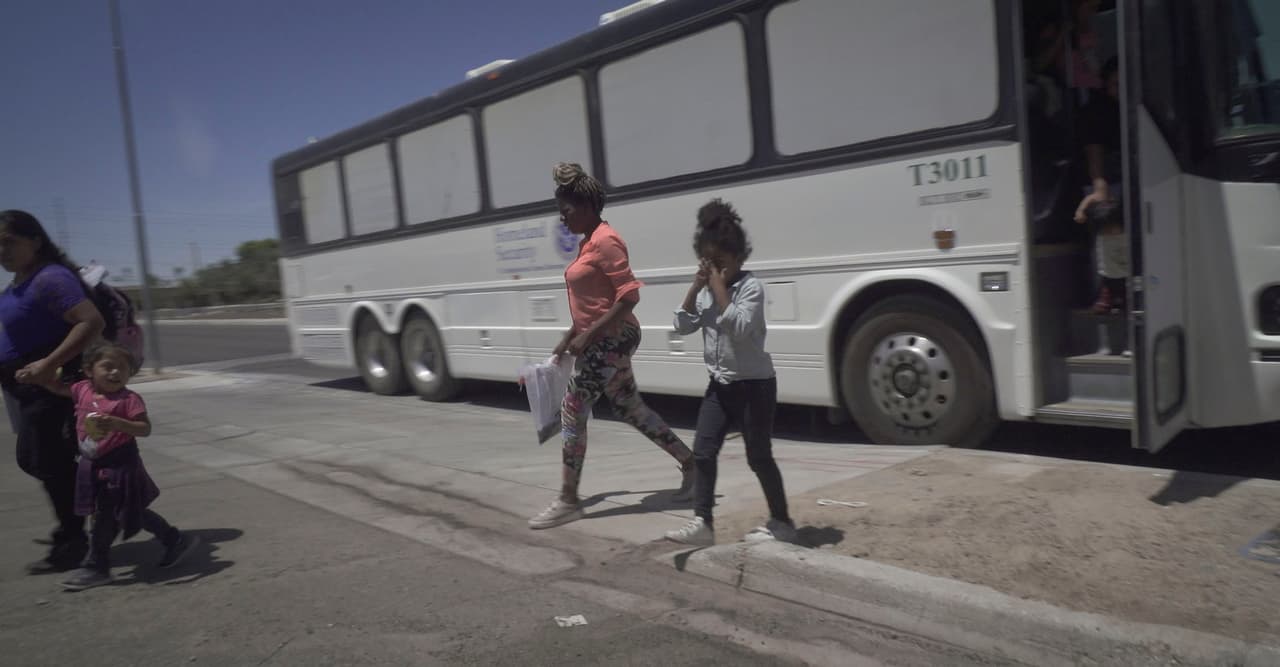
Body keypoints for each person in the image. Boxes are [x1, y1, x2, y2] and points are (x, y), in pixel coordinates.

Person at [528, 163, 696, 530]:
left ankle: (569, 500)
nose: (562, 218)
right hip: (603, 337)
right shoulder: (588, 241)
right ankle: (692, 465)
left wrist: (591, 335)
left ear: (586, 207)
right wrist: (571, 335)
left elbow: (628, 296)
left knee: (573, 409)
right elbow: (596, 301)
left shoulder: (605, 239)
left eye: (566, 210)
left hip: (613, 338)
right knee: (631, 408)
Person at [665, 199, 795, 546]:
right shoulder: (707, 290)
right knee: (704, 452)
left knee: (759, 457)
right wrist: (695, 288)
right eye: (708, 263)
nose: (714, 270)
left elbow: (738, 326)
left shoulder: (751, 288)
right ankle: (703, 524)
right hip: (720, 386)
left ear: (739, 258)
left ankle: (782, 522)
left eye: (720, 263)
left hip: (755, 387)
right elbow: (681, 325)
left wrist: (719, 289)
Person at [37, 341, 198, 591]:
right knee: (128, 511)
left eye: (122, 368)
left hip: (120, 465)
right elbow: (55, 386)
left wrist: (117, 423)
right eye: (108, 367)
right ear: (90, 370)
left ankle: (97, 567)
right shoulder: (81, 390)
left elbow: (145, 429)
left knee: (106, 514)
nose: (115, 372)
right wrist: (35, 376)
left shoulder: (129, 399)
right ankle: (173, 539)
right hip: (91, 463)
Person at [0, 210, 105, 573]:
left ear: (35, 241)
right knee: (39, 460)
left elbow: (91, 321)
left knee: (46, 461)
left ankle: (75, 538)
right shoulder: (20, 282)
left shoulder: (50, 279)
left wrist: (48, 364)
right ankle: (96, 509)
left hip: (50, 387)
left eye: (8, 241)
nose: (1, 250)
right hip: (25, 389)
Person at [1073, 57, 1129, 326]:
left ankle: (1121, 289)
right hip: (1106, 180)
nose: (1121, 88)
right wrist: (1099, 187)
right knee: (1108, 225)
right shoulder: (1098, 111)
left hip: (1132, 180)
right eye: (1116, 83)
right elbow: (1094, 151)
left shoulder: (1134, 107)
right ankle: (1107, 290)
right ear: (1106, 84)